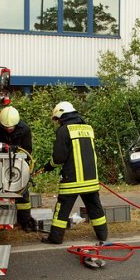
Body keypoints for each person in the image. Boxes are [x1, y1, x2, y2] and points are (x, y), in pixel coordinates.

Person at [39, 101, 109, 245]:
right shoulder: (88, 128)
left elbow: (59, 157)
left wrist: (48, 166)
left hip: (72, 180)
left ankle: (55, 238)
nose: (58, 122)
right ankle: (103, 235)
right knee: (95, 207)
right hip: (90, 178)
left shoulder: (64, 130)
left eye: (57, 119)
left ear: (61, 115)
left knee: (62, 209)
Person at [0, 105, 36, 231]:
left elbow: (28, 150)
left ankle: (24, 221)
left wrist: (16, 152)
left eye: (11, 127)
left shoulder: (24, 130)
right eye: (6, 127)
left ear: (17, 123)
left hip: (18, 165)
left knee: (22, 193)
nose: (9, 129)